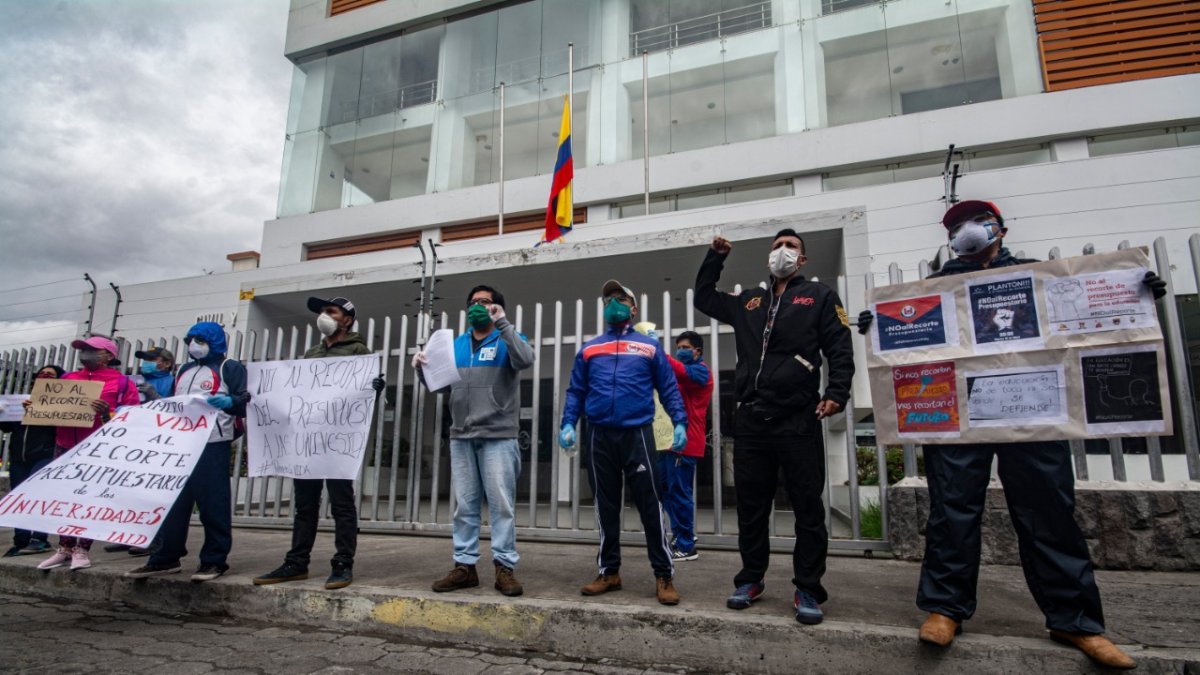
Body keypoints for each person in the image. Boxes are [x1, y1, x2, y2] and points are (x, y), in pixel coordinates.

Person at [856, 200, 1163, 670]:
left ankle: (1075, 620)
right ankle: (946, 610)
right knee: (952, 512)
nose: (967, 231)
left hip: (1034, 412)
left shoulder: (1037, 275)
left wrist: (1136, 292)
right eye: (957, 226)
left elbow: (1091, 315)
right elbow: (908, 342)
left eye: (975, 222)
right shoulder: (934, 288)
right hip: (959, 419)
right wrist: (879, 326)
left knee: (1049, 512)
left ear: (999, 228)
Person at [694, 229, 854, 625]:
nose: (783, 251)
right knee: (751, 508)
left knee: (807, 508)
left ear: (802, 260)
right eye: (777, 246)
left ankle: (807, 588)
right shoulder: (750, 300)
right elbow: (703, 297)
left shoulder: (819, 297)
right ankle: (751, 579)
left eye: (792, 247)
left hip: (798, 417)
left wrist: (837, 390)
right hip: (751, 419)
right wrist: (714, 258)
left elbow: (839, 345)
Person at [560, 279, 688, 606]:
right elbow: (576, 391)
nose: (612, 302)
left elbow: (669, 387)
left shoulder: (648, 347)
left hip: (637, 434)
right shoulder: (589, 349)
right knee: (606, 505)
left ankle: (663, 575)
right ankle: (609, 572)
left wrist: (680, 421)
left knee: (649, 504)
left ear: (633, 308)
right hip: (599, 434)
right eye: (607, 299)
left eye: (620, 298)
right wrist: (567, 424)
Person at [253, 296, 384, 590]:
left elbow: (362, 396)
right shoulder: (311, 353)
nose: (324, 315)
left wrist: (373, 387)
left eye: (330, 311)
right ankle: (296, 562)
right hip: (308, 440)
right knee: (305, 506)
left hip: (337, 441)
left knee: (342, 505)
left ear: (347, 319)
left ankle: (342, 564)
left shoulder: (358, 351)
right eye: (322, 311)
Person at [414, 285, 535, 597]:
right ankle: (464, 567)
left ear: (497, 308)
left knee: (501, 506)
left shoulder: (509, 337)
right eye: (473, 302)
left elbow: (525, 360)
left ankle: (504, 568)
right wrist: (421, 371)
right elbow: (442, 386)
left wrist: (504, 324)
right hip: (462, 436)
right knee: (465, 506)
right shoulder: (455, 345)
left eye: (485, 302)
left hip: (498, 437)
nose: (478, 306)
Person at [125, 322, 249, 583]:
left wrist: (231, 403)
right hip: (179, 444)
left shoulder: (229, 367)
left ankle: (214, 561)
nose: (194, 345)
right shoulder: (183, 370)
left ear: (214, 342)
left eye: (201, 340)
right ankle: (165, 557)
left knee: (212, 505)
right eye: (191, 339)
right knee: (172, 503)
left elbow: (244, 400)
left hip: (212, 444)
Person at [37, 336, 140, 571]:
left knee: (89, 499)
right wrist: (35, 407)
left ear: (108, 356)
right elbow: (50, 408)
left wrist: (107, 414)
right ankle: (64, 548)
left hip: (97, 450)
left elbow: (132, 418)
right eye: (83, 350)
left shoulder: (122, 382)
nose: (85, 354)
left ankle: (82, 549)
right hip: (64, 446)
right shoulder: (69, 378)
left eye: (92, 350)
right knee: (63, 499)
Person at [106, 346, 176, 555]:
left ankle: (155, 539)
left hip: (158, 441)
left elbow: (177, 410)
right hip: (134, 439)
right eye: (145, 358)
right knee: (129, 491)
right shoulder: (131, 381)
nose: (147, 362)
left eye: (152, 358)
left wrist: (155, 396)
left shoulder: (172, 381)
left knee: (153, 494)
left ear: (166, 363)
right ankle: (129, 534)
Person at [660, 330, 712, 562]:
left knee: (680, 492)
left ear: (697, 351)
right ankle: (682, 532)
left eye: (684, 347)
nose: (680, 350)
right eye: (678, 347)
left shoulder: (701, 372)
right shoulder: (681, 371)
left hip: (687, 442)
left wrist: (659, 353)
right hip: (671, 441)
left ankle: (687, 544)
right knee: (666, 490)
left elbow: (680, 371)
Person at [1, 365, 64, 557]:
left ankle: (39, 539)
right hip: (19, 457)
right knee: (18, 498)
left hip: (44, 456)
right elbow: (7, 428)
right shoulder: (21, 399)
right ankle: (20, 540)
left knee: (38, 496)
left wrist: (44, 409)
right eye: (42, 373)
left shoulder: (63, 404)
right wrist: (5, 412)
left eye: (51, 375)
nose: (45, 376)